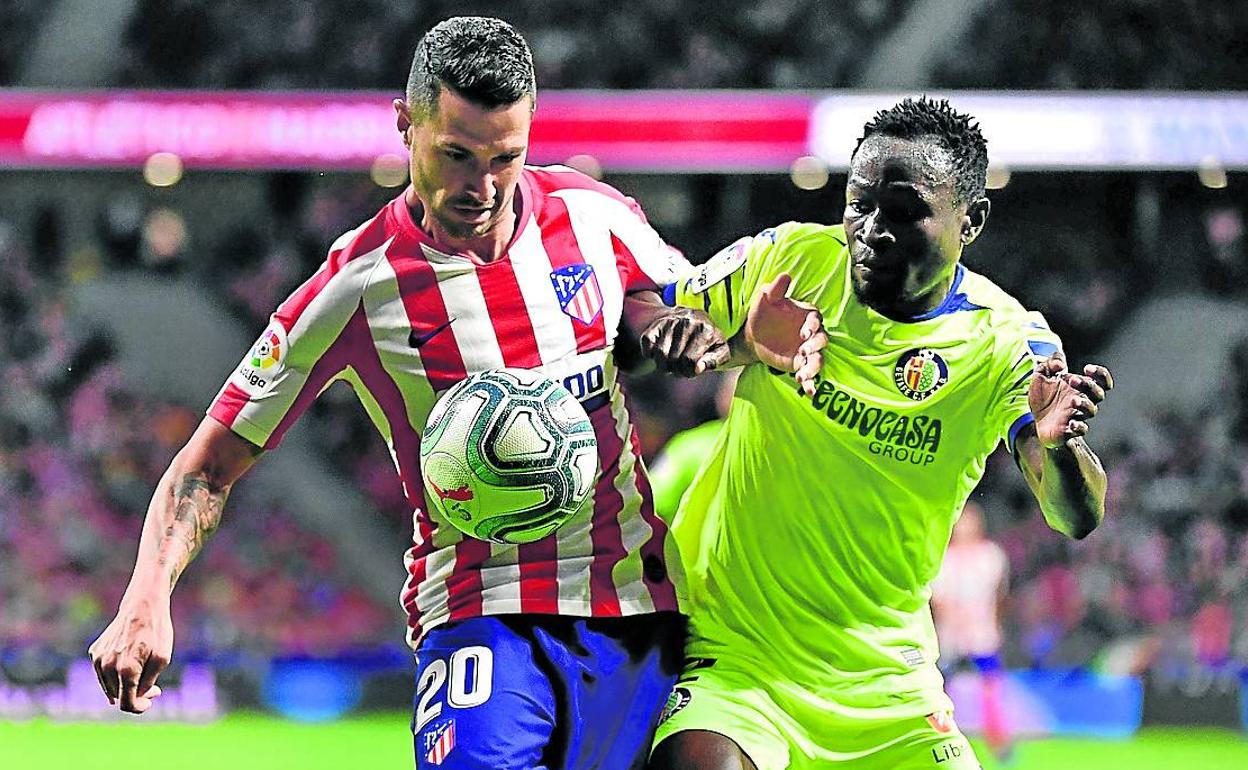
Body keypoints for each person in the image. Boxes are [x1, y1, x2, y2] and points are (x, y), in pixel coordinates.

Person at [87, 17, 824, 770]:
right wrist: (147, 596)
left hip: (635, 611)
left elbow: (659, 320)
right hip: (480, 618)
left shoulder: (594, 216)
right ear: (406, 126)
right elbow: (207, 466)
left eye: (507, 158)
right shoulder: (357, 286)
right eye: (457, 156)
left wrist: (733, 341)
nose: (484, 187)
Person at [649, 96, 1115, 770]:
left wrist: (1059, 447)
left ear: (971, 221)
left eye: (904, 213)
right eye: (859, 204)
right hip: (738, 656)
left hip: (887, 687)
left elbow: (1075, 515)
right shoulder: (792, 263)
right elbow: (646, 327)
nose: (871, 230)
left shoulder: (1006, 342)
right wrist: (732, 341)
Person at [930, 501, 1013, 762]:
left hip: (981, 636)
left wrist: (990, 623)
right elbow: (937, 599)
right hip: (951, 639)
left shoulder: (991, 556)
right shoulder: (942, 557)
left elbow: (999, 595)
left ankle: (998, 743)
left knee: (990, 689)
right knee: (941, 692)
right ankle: (939, 741)